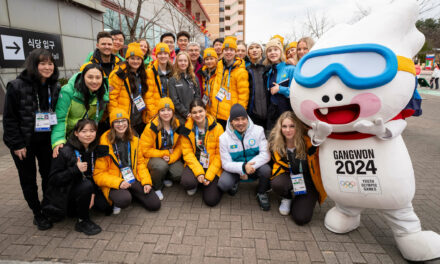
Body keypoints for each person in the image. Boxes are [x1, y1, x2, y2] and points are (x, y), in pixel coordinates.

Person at [3, 49, 60, 230]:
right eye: (42, 63)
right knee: (28, 179)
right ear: (34, 65)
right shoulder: (17, 86)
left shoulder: (55, 86)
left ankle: (47, 206)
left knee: (48, 176)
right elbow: (9, 119)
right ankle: (37, 213)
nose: (47, 67)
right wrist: (17, 144)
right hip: (24, 142)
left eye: (50, 63)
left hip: (46, 141)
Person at [43, 119, 111, 235]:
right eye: (84, 131)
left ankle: (79, 206)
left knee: (105, 206)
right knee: (86, 186)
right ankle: (82, 221)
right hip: (64, 192)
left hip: (82, 186)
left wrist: (93, 193)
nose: (88, 134)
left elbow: (91, 173)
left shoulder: (92, 148)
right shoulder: (64, 151)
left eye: (92, 131)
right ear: (76, 133)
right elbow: (54, 180)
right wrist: (75, 170)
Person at [94, 108, 161, 214]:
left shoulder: (134, 140)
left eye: (123, 121)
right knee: (124, 200)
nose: (120, 124)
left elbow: (140, 164)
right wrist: (119, 183)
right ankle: (124, 195)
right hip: (115, 180)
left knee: (155, 204)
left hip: (131, 177)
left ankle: (132, 192)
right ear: (112, 124)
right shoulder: (104, 143)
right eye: (117, 121)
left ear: (128, 122)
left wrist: (146, 182)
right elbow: (98, 174)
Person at [268, 111, 326, 224]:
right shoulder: (276, 142)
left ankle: (300, 200)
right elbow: (276, 163)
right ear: (280, 128)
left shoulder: (309, 141)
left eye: (292, 126)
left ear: (297, 127)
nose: (288, 130)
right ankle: (287, 197)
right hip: (289, 175)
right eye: (284, 126)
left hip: (308, 180)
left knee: (301, 218)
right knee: (277, 184)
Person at [218, 104, 271, 210]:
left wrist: (249, 166)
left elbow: (265, 154)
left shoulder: (258, 130)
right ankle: (236, 181)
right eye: (236, 120)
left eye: (243, 119)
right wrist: (242, 168)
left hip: (253, 167)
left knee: (266, 170)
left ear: (247, 119)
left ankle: (261, 192)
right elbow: (226, 163)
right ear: (231, 122)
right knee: (223, 184)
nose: (241, 123)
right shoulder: (223, 138)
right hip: (238, 168)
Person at [52, 64, 109, 158]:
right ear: (83, 77)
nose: (94, 81)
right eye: (90, 77)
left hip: (85, 136)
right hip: (69, 136)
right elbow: (60, 118)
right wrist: (58, 141)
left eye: (98, 77)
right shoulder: (68, 91)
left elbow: (96, 119)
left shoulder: (102, 93)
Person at [179, 99, 224, 206]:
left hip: (212, 164)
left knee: (211, 200)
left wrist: (209, 176)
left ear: (205, 111)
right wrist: (199, 172)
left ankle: (206, 183)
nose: (198, 115)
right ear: (190, 114)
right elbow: (187, 153)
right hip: (196, 163)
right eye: (194, 112)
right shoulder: (187, 129)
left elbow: (220, 155)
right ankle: (197, 182)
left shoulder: (217, 128)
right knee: (187, 182)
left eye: (200, 111)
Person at [140, 98, 184, 200]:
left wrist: (172, 158)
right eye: (162, 110)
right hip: (154, 157)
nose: (166, 113)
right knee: (160, 166)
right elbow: (144, 150)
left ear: (173, 112)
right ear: (158, 112)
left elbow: (180, 146)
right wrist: (164, 153)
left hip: (170, 156)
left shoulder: (177, 124)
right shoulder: (151, 127)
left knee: (180, 173)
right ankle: (157, 186)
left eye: (169, 110)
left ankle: (165, 177)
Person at [108, 42, 148, 136]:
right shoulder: (118, 74)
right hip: (123, 120)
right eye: (132, 58)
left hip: (139, 118)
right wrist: (116, 119)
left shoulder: (142, 74)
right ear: (127, 59)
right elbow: (112, 99)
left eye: (138, 59)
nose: (135, 61)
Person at [211, 36, 249, 129]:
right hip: (216, 113)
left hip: (231, 116)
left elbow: (243, 96)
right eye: (226, 49)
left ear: (235, 52)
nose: (228, 52)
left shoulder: (241, 71)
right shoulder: (219, 65)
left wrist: (239, 116)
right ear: (222, 51)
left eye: (231, 50)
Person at [263, 38, 295, 130]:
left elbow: (296, 93)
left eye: (275, 49)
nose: (272, 52)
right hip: (272, 116)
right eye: (269, 50)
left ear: (281, 52)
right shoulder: (268, 71)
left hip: (287, 115)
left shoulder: (290, 69)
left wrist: (280, 89)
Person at [169, 52, 201, 123]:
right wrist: (186, 113)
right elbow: (174, 100)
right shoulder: (173, 80)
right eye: (180, 61)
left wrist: (194, 112)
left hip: (194, 115)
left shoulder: (194, 78)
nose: (183, 63)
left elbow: (197, 96)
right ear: (177, 63)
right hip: (180, 117)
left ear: (188, 62)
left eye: (185, 61)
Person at [146, 43, 174, 121]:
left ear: (169, 55)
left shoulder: (173, 71)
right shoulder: (150, 72)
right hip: (157, 112)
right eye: (160, 54)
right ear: (156, 55)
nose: (163, 56)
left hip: (170, 110)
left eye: (165, 53)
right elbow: (148, 96)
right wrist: (154, 114)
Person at [246, 42, 267, 128]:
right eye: (251, 48)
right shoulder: (246, 70)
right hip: (253, 115)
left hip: (270, 114)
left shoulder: (268, 67)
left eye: (257, 47)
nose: (254, 50)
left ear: (261, 51)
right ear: (248, 53)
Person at [200, 48, 218, 114]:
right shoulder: (204, 73)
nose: (209, 61)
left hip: (217, 106)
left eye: (211, 59)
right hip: (207, 106)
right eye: (207, 59)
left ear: (216, 60)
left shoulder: (219, 72)